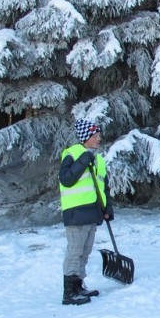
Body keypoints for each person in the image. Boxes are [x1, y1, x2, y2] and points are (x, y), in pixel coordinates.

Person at [58, 119, 112, 306]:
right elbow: (66, 179)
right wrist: (83, 160)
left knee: (85, 252)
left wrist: (107, 208)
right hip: (76, 213)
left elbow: (102, 187)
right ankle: (69, 293)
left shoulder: (98, 159)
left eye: (99, 135)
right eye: (95, 136)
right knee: (74, 252)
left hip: (92, 212)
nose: (99, 139)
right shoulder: (72, 154)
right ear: (85, 137)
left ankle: (78, 286)